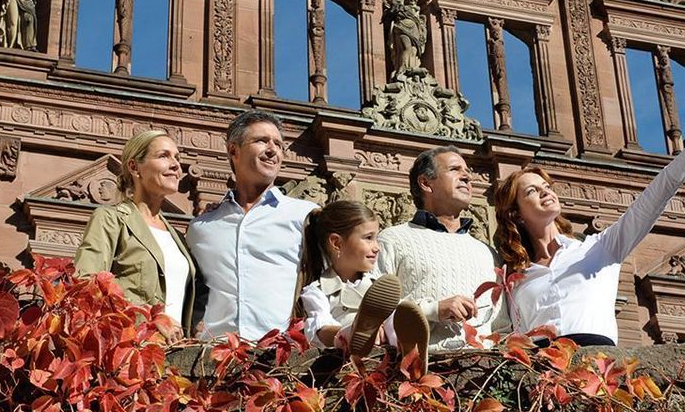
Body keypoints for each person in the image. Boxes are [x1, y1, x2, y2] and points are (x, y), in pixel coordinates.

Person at [493, 95, 685, 347]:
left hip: (598, 364)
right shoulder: (516, 278)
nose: (545, 191)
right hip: (543, 371)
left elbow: (654, 198)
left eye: (546, 186)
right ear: (516, 214)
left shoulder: (600, 248)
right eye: (532, 191)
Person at [187, 110, 317, 340]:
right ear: (233, 151)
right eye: (261, 141)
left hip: (280, 357)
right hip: (213, 356)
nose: (272, 149)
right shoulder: (201, 227)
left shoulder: (304, 215)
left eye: (278, 144)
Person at [376, 146, 500, 351]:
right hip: (415, 370)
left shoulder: (488, 253)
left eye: (467, 172)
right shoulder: (392, 239)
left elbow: (502, 325)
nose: (467, 177)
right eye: (454, 169)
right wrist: (434, 310)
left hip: (484, 373)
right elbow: (371, 313)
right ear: (426, 183)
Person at [74, 130, 198, 335]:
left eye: (177, 157)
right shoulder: (111, 219)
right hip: (130, 348)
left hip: (177, 355)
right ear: (134, 167)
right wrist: (148, 319)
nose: (176, 165)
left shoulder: (178, 237)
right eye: (163, 156)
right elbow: (86, 282)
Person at [296, 200, 429, 365]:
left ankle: (408, 350)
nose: (377, 247)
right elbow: (319, 328)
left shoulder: (378, 287)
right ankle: (354, 334)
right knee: (326, 327)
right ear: (337, 243)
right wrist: (354, 332)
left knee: (396, 314)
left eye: (376, 239)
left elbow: (399, 312)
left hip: (382, 363)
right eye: (368, 238)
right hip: (341, 365)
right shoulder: (317, 290)